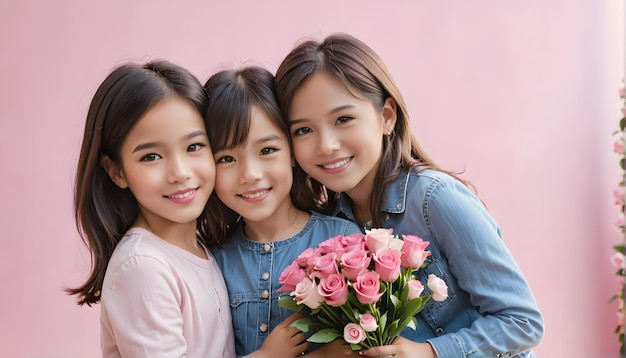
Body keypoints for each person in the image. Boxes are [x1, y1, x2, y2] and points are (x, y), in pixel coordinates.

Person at [274, 33, 544, 358]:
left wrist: (430, 352)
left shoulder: (435, 200)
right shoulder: (329, 227)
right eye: (303, 129)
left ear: (387, 116)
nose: (326, 145)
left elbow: (523, 322)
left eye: (343, 119)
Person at [67, 60, 236, 357]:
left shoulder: (198, 249)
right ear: (117, 171)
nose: (180, 172)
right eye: (152, 156)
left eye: (194, 147)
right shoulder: (143, 266)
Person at [203, 65, 362, 357]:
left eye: (266, 151)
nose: (249, 174)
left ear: (292, 151)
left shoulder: (342, 242)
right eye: (226, 158)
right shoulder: (214, 260)